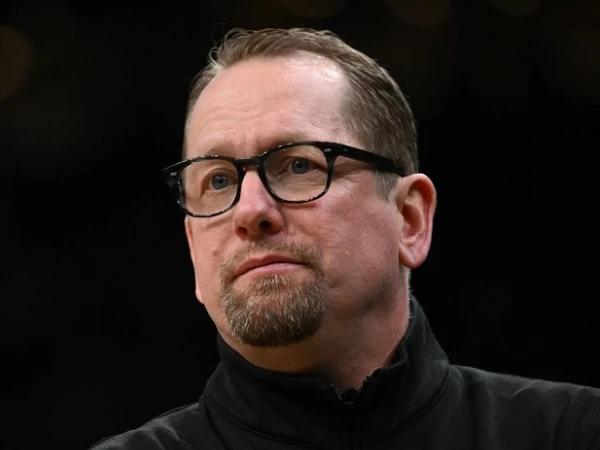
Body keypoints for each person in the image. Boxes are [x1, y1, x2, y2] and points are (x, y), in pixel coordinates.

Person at [89, 27, 600, 449]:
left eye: (298, 165)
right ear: (192, 248)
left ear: (410, 219)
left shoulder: (572, 432)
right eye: (218, 180)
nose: (250, 211)